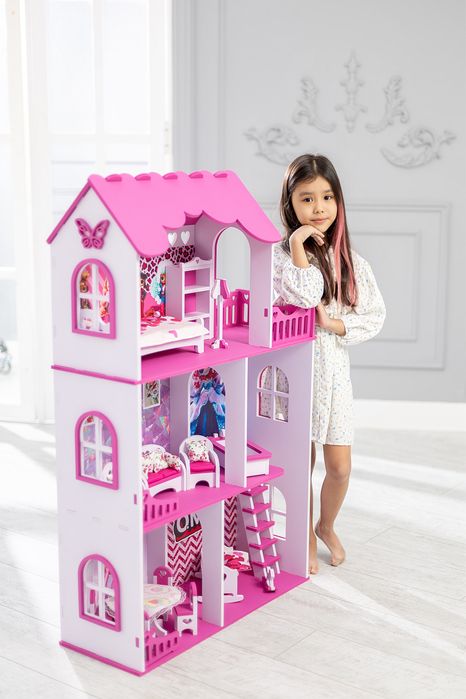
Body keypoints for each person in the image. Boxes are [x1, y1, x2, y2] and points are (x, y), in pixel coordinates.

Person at [273, 153, 386, 574]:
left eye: (326, 197)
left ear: (338, 200)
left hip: (334, 374)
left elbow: (373, 316)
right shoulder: (280, 258)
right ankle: (303, 536)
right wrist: (297, 245)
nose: (318, 208)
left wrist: (333, 323)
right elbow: (305, 295)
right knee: (301, 463)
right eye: (306, 199)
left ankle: (325, 525)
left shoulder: (352, 262)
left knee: (339, 467)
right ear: (291, 204)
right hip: (293, 373)